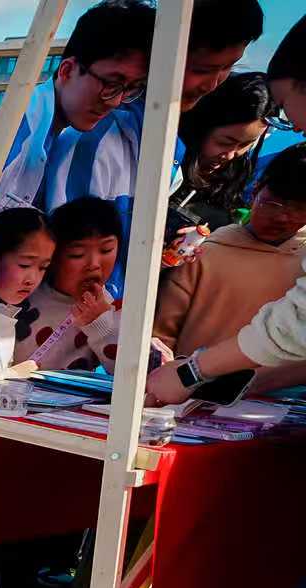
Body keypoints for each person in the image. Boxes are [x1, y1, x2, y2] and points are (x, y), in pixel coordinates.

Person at [44, 0, 265, 290]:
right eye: (202, 69)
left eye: (228, 67)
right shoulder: (99, 140)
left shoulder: (165, 139)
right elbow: (71, 268)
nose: (213, 84)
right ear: (160, 55)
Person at [0, 0, 154, 212]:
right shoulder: (9, 142)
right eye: (110, 84)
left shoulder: (47, 133)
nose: (115, 102)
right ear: (67, 71)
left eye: (130, 88)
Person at [157, 144, 306, 356]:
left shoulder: (303, 265)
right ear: (255, 191)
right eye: (274, 204)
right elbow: (161, 337)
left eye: (300, 209)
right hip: (187, 375)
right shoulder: (203, 255)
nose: (283, 218)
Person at [13, 197, 129, 372]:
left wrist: (101, 325)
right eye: (77, 254)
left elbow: (127, 373)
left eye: (106, 250)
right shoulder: (25, 290)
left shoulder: (116, 313)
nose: (94, 264)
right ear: (53, 256)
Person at [169, 72, 273, 235]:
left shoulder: (237, 173)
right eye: (225, 142)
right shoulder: (167, 160)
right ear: (201, 126)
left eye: (245, 145)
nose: (230, 155)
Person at [0, 204, 54, 377]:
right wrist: (12, 375)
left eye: (43, 268)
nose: (32, 279)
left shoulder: (5, 313)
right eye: (24, 265)